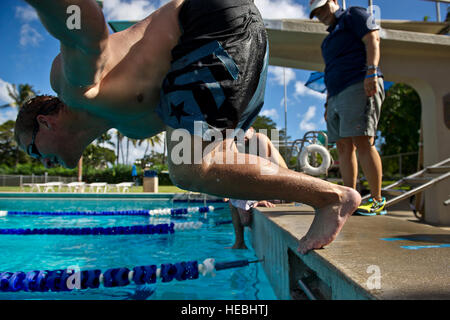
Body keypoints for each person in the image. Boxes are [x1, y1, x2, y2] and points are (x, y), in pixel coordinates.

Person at [14, 0, 360, 254]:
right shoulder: (131, 128)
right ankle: (318, 198)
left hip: (207, 21)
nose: (37, 158)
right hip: (238, 44)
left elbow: (85, 31)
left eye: (32, 148)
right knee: (206, 160)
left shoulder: (72, 84)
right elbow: (211, 137)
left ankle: (332, 197)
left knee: (187, 167)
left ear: (44, 122)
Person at [309, 0, 386, 215]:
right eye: (316, 13)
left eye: (323, 8)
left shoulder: (354, 15)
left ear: (334, 2)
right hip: (335, 95)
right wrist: (327, 103)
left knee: (363, 140)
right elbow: (330, 70)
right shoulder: (327, 41)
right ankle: (350, 197)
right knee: (343, 146)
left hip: (358, 83)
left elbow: (373, 38)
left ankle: (378, 199)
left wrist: (371, 71)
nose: (321, 14)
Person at [227, 127, 286, 249]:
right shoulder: (238, 149)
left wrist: (259, 198)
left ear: (252, 131)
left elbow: (266, 172)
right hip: (270, 189)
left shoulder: (259, 138)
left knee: (243, 214)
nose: (240, 133)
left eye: (244, 128)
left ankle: (240, 242)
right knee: (233, 201)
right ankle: (239, 242)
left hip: (282, 191)